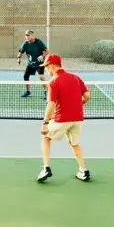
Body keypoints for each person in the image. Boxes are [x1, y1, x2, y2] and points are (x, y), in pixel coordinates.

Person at [36, 54, 90, 183]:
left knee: (46, 137)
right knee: (74, 144)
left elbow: (51, 104)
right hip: (77, 119)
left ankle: (46, 168)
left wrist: (45, 123)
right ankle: (83, 170)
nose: (46, 69)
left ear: (53, 65)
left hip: (62, 119)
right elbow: (87, 95)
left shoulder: (54, 82)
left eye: (47, 66)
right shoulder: (76, 78)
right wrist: (78, 104)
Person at [16, 29, 49, 98]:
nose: (26, 37)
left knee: (41, 76)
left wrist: (42, 56)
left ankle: (46, 91)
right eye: (25, 35)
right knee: (25, 76)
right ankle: (28, 91)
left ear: (32, 36)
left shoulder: (38, 42)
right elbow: (20, 52)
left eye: (28, 35)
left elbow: (47, 51)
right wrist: (19, 58)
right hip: (31, 63)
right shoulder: (25, 43)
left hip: (39, 63)